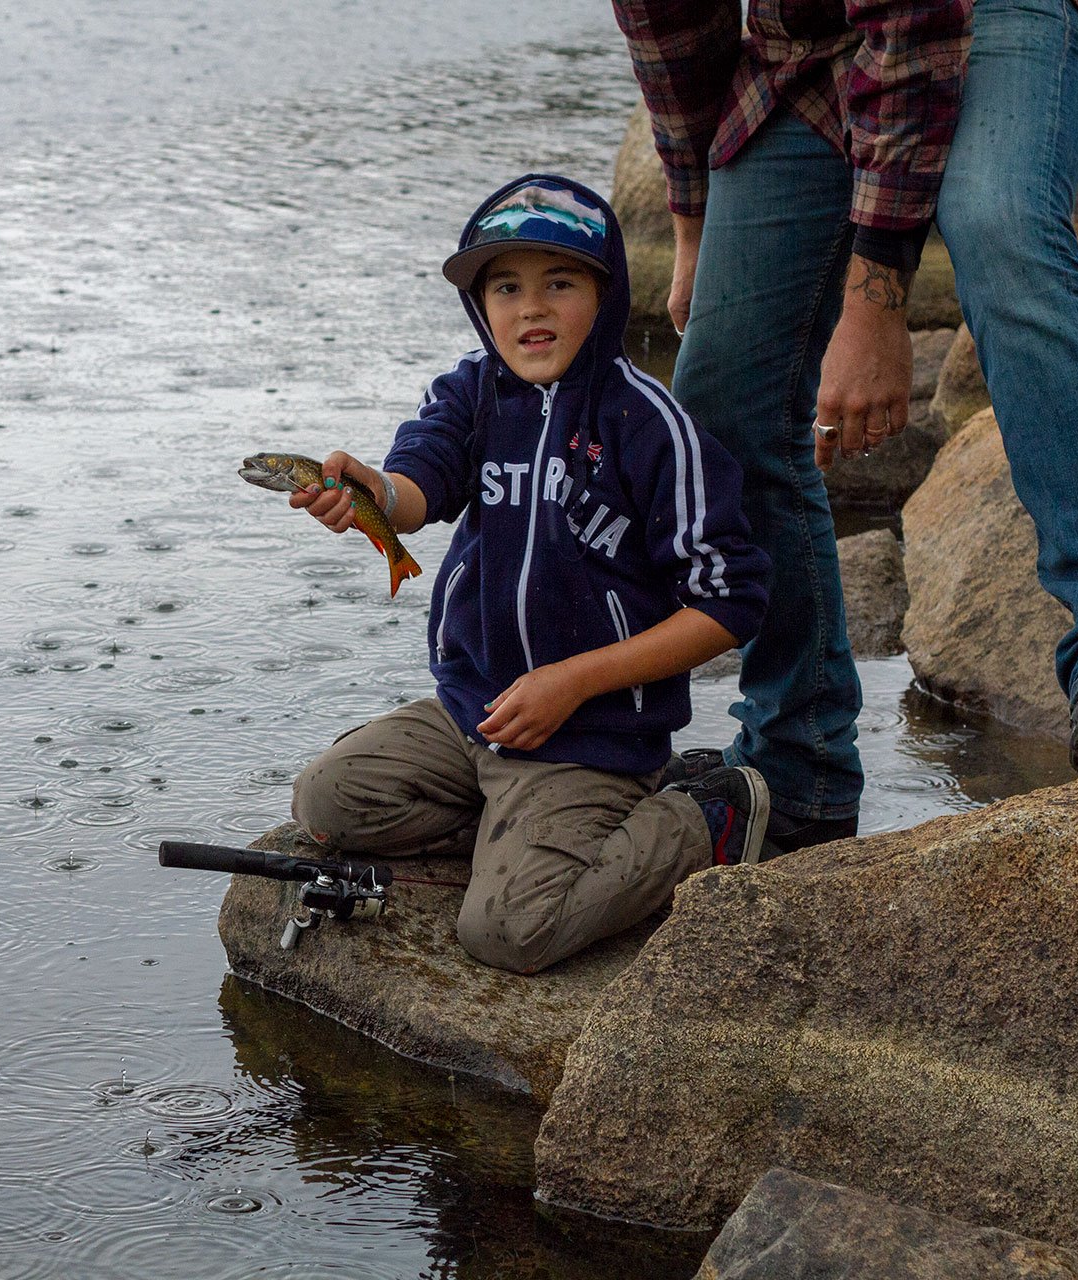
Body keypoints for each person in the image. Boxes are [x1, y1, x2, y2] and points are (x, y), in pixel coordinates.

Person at [617, 0, 1078, 845]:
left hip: (997, 14)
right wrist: (694, 219)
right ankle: (798, 764)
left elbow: (917, 22)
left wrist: (875, 302)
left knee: (1002, 229)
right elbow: (675, 29)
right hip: (810, 50)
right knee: (723, 390)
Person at [283, 174, 773, 975]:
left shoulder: (653, 429)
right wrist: (374, 494)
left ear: (606, 294)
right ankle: (514, 819)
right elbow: (415, 490)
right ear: (481, 305)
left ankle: (704, 818)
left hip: (593, 736)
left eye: (560, 282)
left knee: (508, 932)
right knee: (326, 804)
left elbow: (730, 602)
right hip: (475, 710)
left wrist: (575, 682)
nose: (531, 308)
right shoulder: (471, 394)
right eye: (505, 286)